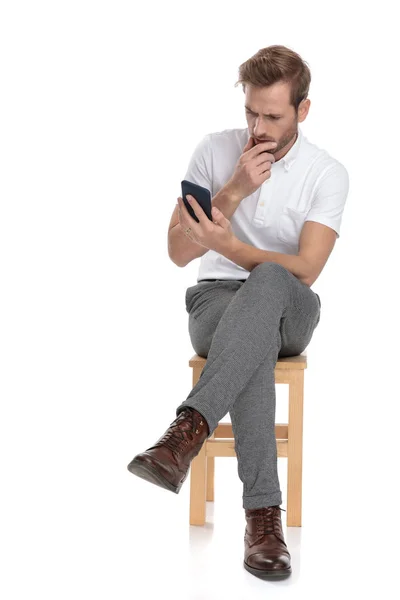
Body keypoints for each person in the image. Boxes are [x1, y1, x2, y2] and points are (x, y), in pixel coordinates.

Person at [127, 44, 349, 581]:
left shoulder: (327, 173)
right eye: (251, 112)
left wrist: (229, 247)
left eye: (273, 115)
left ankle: (188, 429)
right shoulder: (213, 151)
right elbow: (180, 253)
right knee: (247, 350)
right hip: (215, 303)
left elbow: (306, 270)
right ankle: (263, 523)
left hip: (290, 310)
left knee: (271, 279)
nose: (259, 126)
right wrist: (234, 190)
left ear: (303, 110)